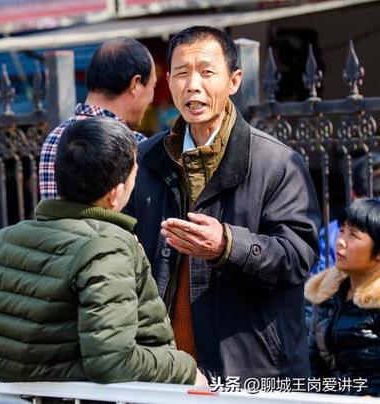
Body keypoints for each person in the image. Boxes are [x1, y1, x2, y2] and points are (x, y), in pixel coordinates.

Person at [125, 26, 321, 381]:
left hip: (252, 368)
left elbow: (298, 257)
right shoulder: (145, 159)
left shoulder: (277, 163)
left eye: (207, 71)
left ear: (234, 80)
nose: (193, 85)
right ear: (168, 81)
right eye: (182, 73)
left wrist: (228, 245)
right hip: (164, 369)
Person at [0, 117, 206, 386]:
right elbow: (112, 361)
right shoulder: (106, 246)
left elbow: (16, 358)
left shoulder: (3, 242)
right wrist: (186, 368)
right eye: (134, 175)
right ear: (116, 193)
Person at [38, 37, 156, 200]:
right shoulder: (134, 145)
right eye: (153, 86)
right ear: (135, 84)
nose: (151, 99)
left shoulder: (54, 138)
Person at [306, 198, 380, 396]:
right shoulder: (326, 294)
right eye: (341, 230)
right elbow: (315, 365)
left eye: (353, 235)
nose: (340, 241)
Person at [312, 153, 380, 274]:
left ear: (352, 192)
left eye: (353, 235)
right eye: (343, 232)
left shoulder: (331, 231)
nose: (341, 241)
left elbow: (318, 275)